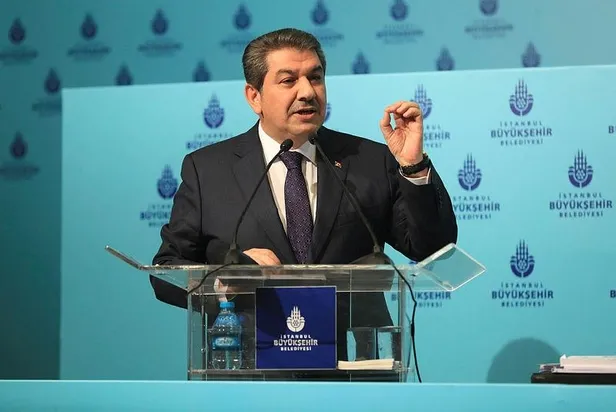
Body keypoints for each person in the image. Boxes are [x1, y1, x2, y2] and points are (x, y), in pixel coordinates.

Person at [151, 28, 457, 373]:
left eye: (315, 77)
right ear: (254, 96)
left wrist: (413, 167)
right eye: (288, 81)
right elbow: (165, 274)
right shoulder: (208, 170)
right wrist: (226, 282)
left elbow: (434, 250)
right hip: (251, 373)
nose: (308, 92)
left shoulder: (370, 160)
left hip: (353, 370)